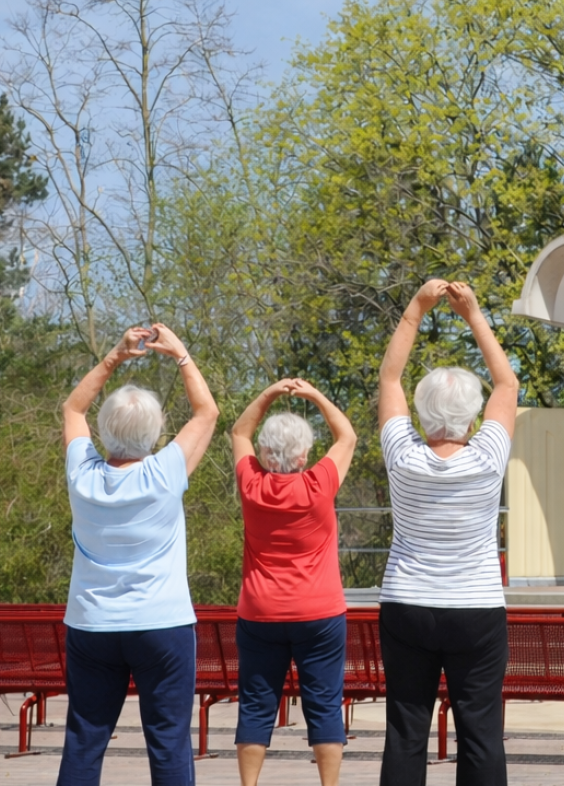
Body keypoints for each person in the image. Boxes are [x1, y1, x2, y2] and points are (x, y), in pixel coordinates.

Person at [58, 324, 219, 786]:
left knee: (85, 739)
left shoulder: (82, 477)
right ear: (156, 432)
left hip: (92, 625)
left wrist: (115, 357)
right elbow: (207, 412)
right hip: (161, 625)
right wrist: (182, 356)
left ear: (104, 431)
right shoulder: (166, 471)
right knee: (168, 741)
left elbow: (73, 407)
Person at [376, 279, 517, 786]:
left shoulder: (403, 456)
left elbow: (389, 379)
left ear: (420, 411)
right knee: (480, 731)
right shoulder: (487, 457)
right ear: (474, 416)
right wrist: (474, 314)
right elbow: (508, 386)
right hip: (476, 607)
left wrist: (417, 308)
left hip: (407, 603)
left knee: (406, 728)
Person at [228, 378, 358, 786]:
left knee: (255, 706)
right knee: (323, 705)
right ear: (304, 455)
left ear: (265, 453)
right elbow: (347, 435)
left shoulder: (252, 485)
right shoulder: (319, 484)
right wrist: (317, 395)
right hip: (319, 613)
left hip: (260, 612)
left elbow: (239, 431)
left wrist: (267, 393)